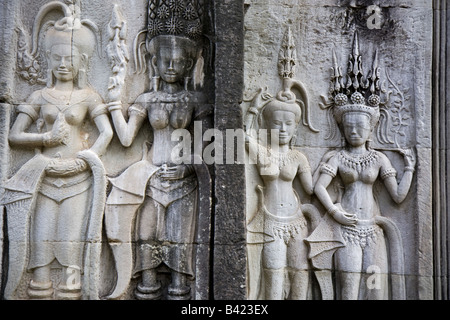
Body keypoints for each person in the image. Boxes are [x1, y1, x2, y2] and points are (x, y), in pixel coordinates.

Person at [2, 2, 112, 300]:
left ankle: (72, 290)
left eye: (70, 58)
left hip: (78, 178)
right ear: (49, 60)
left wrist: (88, 159)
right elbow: (14, 135)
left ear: (82, 62)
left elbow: (107, 132)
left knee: (71, 241)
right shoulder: (40, 95)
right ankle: (37, 290)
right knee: (40, 240)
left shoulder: (89, 96)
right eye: (57, 58)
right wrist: (48, 139)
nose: (63, 64)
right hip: (44, 175)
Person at [104, 0, 206, 300]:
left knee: (178, 239)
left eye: (177, 60)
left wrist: (187, 167)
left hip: (184, 183)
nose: (171, 65)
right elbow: (125, 138)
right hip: (151, 180)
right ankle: (145, 289)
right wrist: (113, 102)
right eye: (165, 60)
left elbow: (205, 148)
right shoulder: (147, 100)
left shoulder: (195, 101)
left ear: (188, 63)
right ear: (155, 63)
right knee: (146, 235)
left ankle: (180, 290)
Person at [245, 94, 318, 300]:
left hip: (297, 223)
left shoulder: (298, 157)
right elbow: (243, 136)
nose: (283, 129)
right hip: (270, 223)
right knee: (274, 277)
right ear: (268, 125)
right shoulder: (263, 153)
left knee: (299, 275)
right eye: (277, 123)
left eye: (289, 124)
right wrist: (254, 108)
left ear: (296, 127)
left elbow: (311, 189)